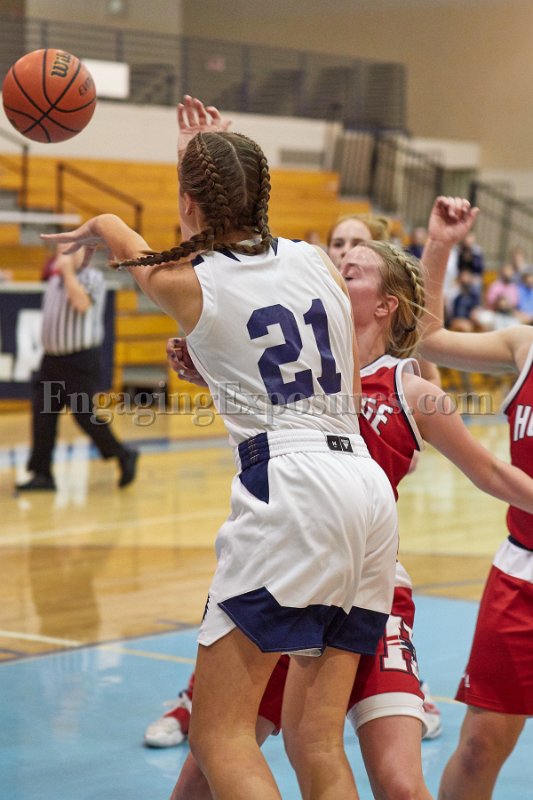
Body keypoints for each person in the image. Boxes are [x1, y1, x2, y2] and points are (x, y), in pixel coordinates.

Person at [42, 95, 399, 800]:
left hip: (292, 491)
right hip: (363, 485)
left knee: (220, 735)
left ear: (189, 204)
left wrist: (102, 220)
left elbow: (134, 240)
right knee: (315, 740)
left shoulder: (189, 286)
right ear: (262, 195)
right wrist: (207, 163)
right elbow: (322, 370)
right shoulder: (315, 260)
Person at [158, 198, 533, 800]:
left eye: (352, 263)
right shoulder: (292, 362)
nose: (336, 267)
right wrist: (206, 366)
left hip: (369, 587)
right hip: (291, 569)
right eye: (335, 254)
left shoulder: (410, 385)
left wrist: (438, 246)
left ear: (384, 302)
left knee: (396, 782)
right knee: (206, 769)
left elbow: (489, 470)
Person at [418, 197, 533, 800]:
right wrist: (441, 246)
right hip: (522, 573)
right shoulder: (524, 344)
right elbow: (428, 338)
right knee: (480, 745)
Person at [15, 243, 138, 492]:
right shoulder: (54, 280)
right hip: (51, 361)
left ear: (85, 253)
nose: (65, 255)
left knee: (84, 416)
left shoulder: (93, 278)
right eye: (62, 250)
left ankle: (123, 454)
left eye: (71, 250)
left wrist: (68, 272)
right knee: (42, 417)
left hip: (79, 361)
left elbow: (81, 304)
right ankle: (42, 474)